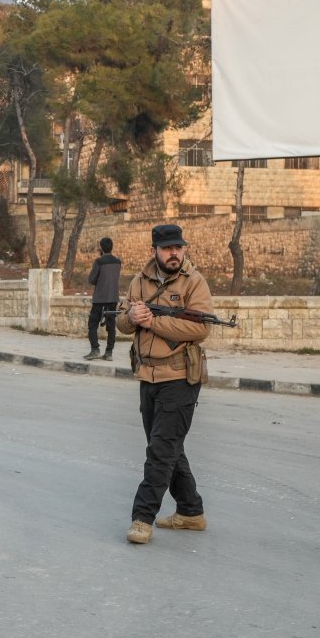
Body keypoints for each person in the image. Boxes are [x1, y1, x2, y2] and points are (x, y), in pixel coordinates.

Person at [116, 224, 212, 545]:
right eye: (168, 248)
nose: (174, 253)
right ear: (154, 250)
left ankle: (142, 518)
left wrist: (152, 321)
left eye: (179, 248)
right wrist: (132, 318)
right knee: (170, 449)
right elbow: (121, 321)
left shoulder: (194, 282)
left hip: (181, 378)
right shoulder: (138, 282)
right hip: (148, 377)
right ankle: (190, 512)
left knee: (160, 451)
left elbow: (199, 328)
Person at [84, 237, 122, 361]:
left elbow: (92, 280)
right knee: (111, 326)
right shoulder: (118, 262)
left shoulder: (99, 262)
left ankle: (95, 350)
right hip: (113, 298)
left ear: (101, 247)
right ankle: (109, 353)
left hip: (100, 299)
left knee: (92, 325)